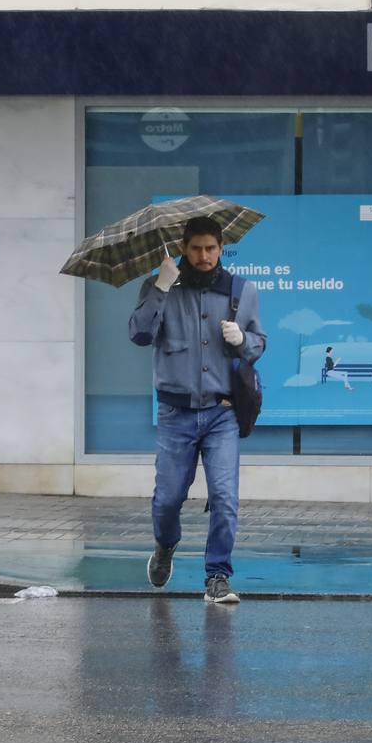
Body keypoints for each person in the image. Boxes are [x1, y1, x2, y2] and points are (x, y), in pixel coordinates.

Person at [129, 216, 266, 604]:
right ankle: (166, 545)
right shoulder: (161, 287)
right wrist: (160, 284)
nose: (204, 256)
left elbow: (258, 344)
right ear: (183, 249)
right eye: (195, 248)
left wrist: (243, 340)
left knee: (225, 496)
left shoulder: (241, 291)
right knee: (168, 498)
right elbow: (139, 334)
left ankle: (218, 576)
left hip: (222, 412)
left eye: (211, 248)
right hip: (176, 414)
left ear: (222, 248)